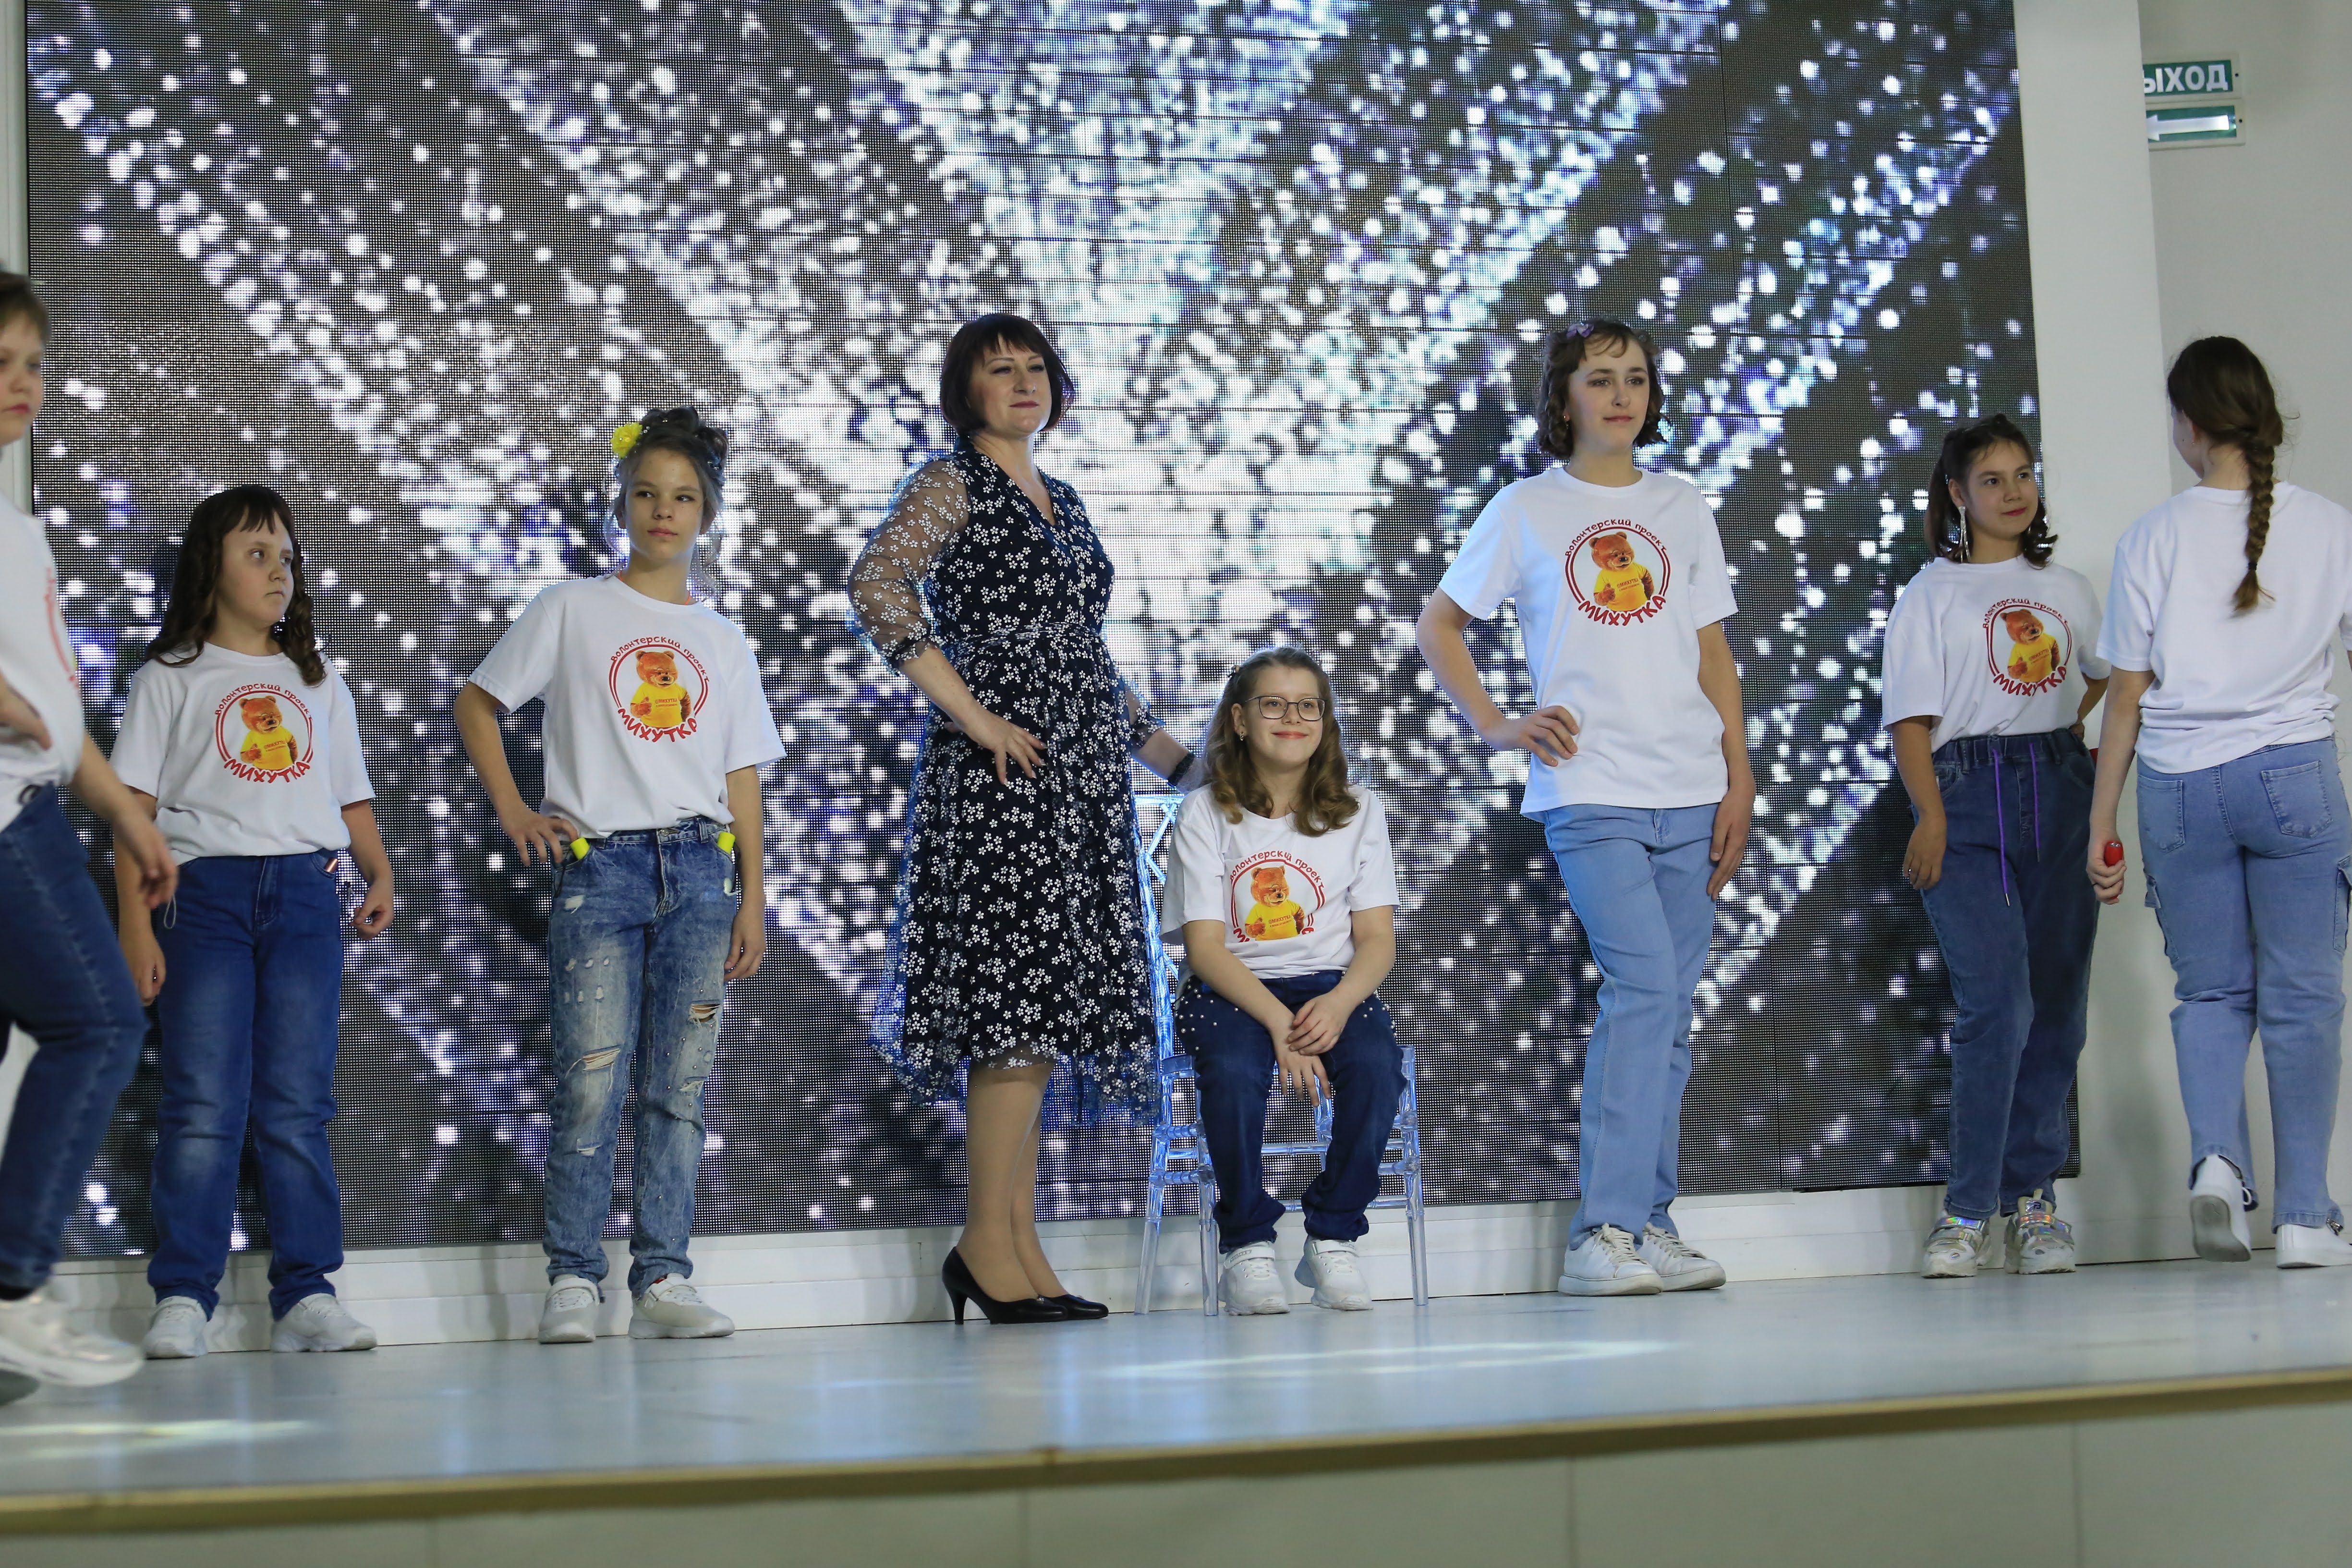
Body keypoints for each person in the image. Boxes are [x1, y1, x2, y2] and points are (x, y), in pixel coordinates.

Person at [848, 313, 1192, 1325]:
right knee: (1013, 1008)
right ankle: (982, 1244)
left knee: (1040, 1015)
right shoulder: (949, 483)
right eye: (1000, 369)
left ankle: (1014, 1240)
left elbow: (1082, 656)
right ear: (966, 390)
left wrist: (1176, 761)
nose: (1023, 381)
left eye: (1036, 366)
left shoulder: (1064, 498)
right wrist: (976, 716)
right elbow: (876, 585)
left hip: (1079, 779)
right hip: (1004, 778)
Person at [1417, 316, 1750, 1297]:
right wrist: (1495, 724)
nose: (1620, 395)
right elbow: (1439, 623)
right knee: (1644, 992)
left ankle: (1648, 1221)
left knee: (1668, 1014)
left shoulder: (1681, 504)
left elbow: (1714, 653)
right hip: (1591, 789)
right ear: (1562, 398)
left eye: (1635, 378)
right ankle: (1598, 1230)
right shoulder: (1525, 506)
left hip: (1692, 787)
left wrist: (1738, 775)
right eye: (1600, 379)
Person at [455, 407, 782, 1341]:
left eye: (682, 497)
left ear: (707, 513)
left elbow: (742, 778)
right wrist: (516, 810)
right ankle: (572, 1276)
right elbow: (477, 702)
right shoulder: (571, 608)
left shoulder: (722, 641)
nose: (663, 511)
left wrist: (753, 900)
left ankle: (663, 1276)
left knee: (679, 1088)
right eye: (646, 494)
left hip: (702, 871)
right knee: (590, 1080)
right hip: (601, 871)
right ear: (623, 504)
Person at [2090, 337, 2352, 1270]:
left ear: (2190, 425)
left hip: (2178, 786)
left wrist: (2101, 824)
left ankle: (2216, 1165)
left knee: (2208, 992)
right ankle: (2306, 1216)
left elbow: (2124, 697)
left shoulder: (2150, 536)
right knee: (2303, 996)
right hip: (2293, 779)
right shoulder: (2329, 526)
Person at [112, 486, 393, 1356]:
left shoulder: (317, 681)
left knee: (297, 1103)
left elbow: (349, 795)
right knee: (203, 1099)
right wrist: (135, 927)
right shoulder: (169, 677)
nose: (279, 572)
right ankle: (184, 1294)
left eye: (287, 557)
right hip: (201, 899)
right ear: (212, 567)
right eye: (257, 554)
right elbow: (130, 812)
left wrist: (379, 869)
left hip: (306, 898)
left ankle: (306, 1292)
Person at [0, 272, 178, 1386]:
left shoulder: (17, 529)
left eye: (33, 364)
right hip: (4, 820)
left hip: (33, 804)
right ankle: (14, 1286)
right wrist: (14, 713)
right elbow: (33, 708)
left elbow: (58, 706)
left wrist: (122, 813)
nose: (22, 384)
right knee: (101, 1023)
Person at [1881, 415, 2109, 1279]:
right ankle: (1967, 1209)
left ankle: (2034, 1200)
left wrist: (2054, 737)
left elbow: (2104, 678)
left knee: (2057, 1005)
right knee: (1998, 1004)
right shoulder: (1929, 594)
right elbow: (1909, 720)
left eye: (2022, 474)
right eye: (1991, 479)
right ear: (1956, 494)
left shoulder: (2067, 588)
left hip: (2060, 790)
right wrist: (1931, 814)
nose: (2013, 492)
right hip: (1964, 796)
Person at [1164, 647, 1402, 1313]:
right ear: (1240, 720)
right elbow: (1205, 948)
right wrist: (1278, 1023)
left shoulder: (1359, 809)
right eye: (1273, 704)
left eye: (1307, 706)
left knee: (1376, 1065)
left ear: (1325, 721)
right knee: (1235, 1070)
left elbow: (1377, 940)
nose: (1292, 718)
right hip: (1229, 988)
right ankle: (1246, 1242)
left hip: (1330, 984)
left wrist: (1340, 1002)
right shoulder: (1205, 812)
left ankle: (1333, 1233)